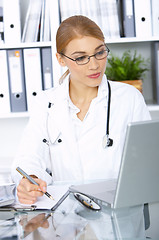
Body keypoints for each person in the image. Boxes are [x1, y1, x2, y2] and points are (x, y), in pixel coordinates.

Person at [11, 15, 151, 204]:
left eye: (100, 53)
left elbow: (146, 163)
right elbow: (28, 157)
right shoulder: (45, 103)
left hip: (117, 216)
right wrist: (31, 180)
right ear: (60, 59)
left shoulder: (129, 98)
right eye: (81, 58)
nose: (94, 65)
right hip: (65, 218)